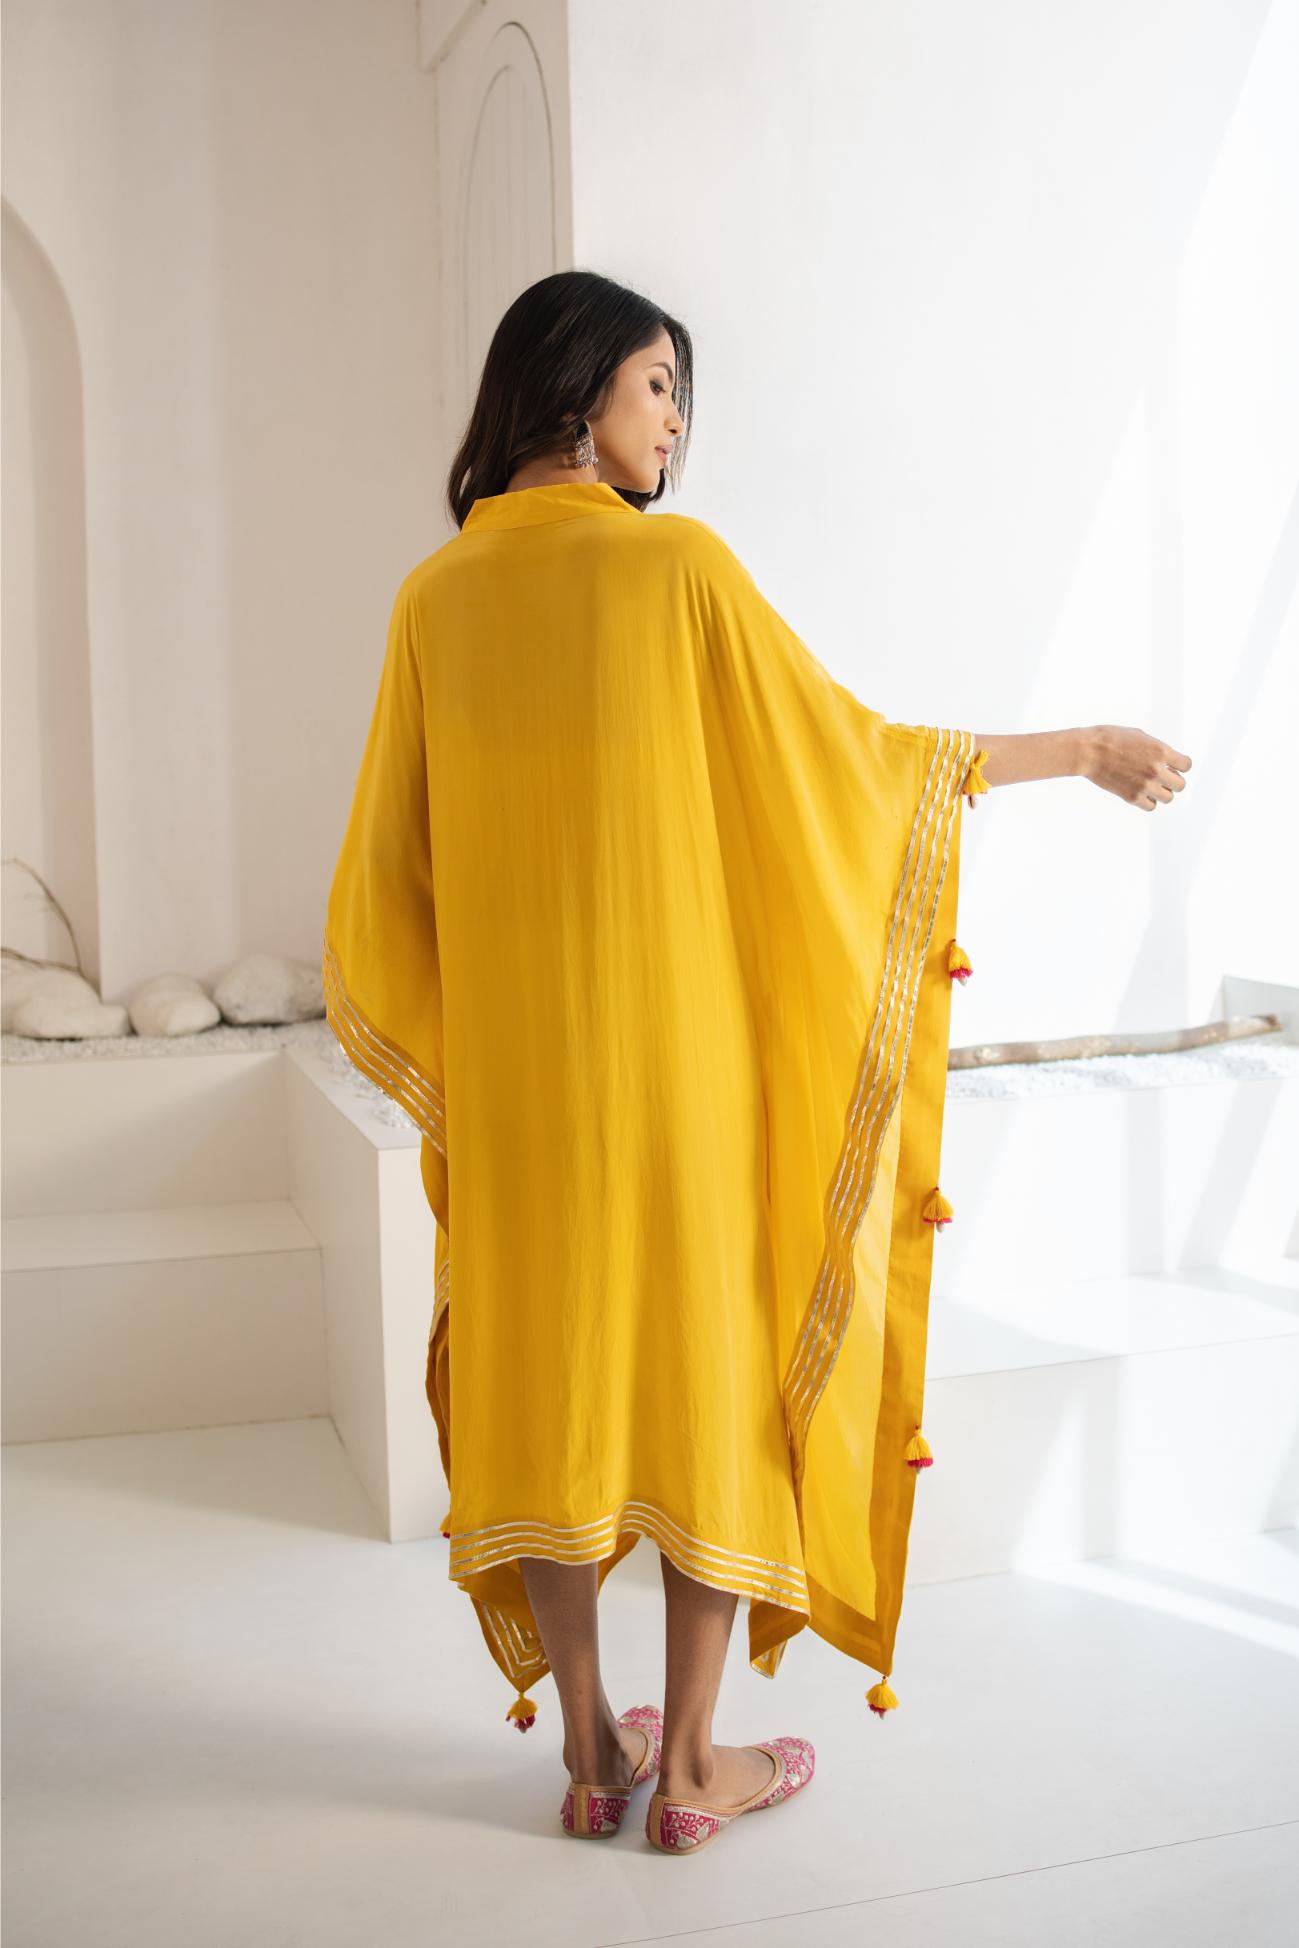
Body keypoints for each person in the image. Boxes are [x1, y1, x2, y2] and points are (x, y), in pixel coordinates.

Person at [322, 270, 1192, 1850]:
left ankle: (590, 1749)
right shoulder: (677, 573)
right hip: (681, 1091)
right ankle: (694, 1767)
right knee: (708, 1393)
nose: (676, 422)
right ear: (578, 385)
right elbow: (852, 765)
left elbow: (390, 877)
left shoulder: (433, 598)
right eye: (658, 385)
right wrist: (1075, 749)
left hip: (524, 1099)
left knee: (550, 1392)